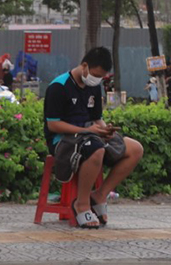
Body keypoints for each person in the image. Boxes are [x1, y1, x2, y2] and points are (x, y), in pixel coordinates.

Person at [43, 47, 144, 229]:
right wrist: (89, 131)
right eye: (95, 75)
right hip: (64, 140)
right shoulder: (58, 87)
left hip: (91, 135)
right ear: (84, 66)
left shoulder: (94, 87)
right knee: (96, 149)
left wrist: (106, 130)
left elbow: (97, 118)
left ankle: (100, 195)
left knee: (135, 148)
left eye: (101, 77)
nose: (96, 80)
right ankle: (81, 203)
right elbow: (53, 124)